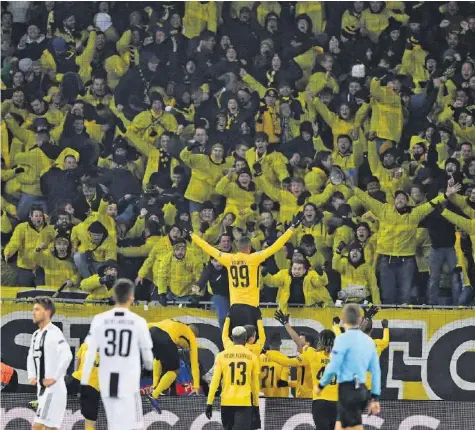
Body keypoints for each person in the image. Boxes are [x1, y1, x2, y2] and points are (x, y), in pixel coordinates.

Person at [188, 213, 302, 331]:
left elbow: (207, 248)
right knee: (252, 337)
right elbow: (276, 246)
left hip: (235, 305)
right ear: (249, 246)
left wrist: (192, 234)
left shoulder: (229, 259)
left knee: (236, 335)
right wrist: (291, 228)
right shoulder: (255, 258)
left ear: (237, 246)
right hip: (251, 306)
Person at [80, 279, 154, 430]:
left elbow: (89, 352)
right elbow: (147, 354)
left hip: (108, 379)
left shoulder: (100, 319)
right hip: (128, 377)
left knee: (114, 422)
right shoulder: (138, 321)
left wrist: (84, 380)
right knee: (133, 423)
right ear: (131, 297)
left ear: (114, 296)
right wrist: (148, 367)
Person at [315, 304, 381, 430]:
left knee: (343, 424)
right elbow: (376, 371)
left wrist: (321, 385)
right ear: (359, 319)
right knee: (354, 424)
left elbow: (333, 366)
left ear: (343, 320)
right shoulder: (369, 342)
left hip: (347, 389)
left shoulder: (341, 340)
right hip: (362, 390)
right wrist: (375, 398)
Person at [27, 297, 73, 430]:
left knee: (37, 425)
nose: (33, 312)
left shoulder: (54, 333)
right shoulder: (36, 334)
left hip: (53, 391)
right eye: (33, 309)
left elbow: (67, 355)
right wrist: (32, 375)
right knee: (51, 428)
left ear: (47, 312)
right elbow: (31, 356)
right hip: (42, 391)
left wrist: (54, 377)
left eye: (37, 309)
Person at [205, 326, 261, 430]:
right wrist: (256, 404)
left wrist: (209, 402)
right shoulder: (252, 357)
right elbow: (255, 384)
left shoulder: (221, 356)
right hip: (244, 402)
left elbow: (215, 381)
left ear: (232, 338)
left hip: (226, 401)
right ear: (245, 339)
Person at [147, 319, 200, 411]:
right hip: (165, 338)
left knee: (158, 357)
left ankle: (155, 385)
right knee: (175, 370)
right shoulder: (191, 337)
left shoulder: (173, 322)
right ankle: (154, 395)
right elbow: (195, 365)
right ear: (194, 335)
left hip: (149, 331)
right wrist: (196, 386)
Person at [71, 342, 100, 430]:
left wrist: (75, 372)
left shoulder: (85, 345)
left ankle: (43, 399)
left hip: (77, 379)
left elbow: (77, 359)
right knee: (90, 419)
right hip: (92, 385)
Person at [259, 333, 290, 398]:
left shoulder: (259, 358)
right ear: (281, 343)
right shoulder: (285, 359)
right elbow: (283, 381)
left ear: (269, 343)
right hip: (278, 398)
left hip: (262, 397)